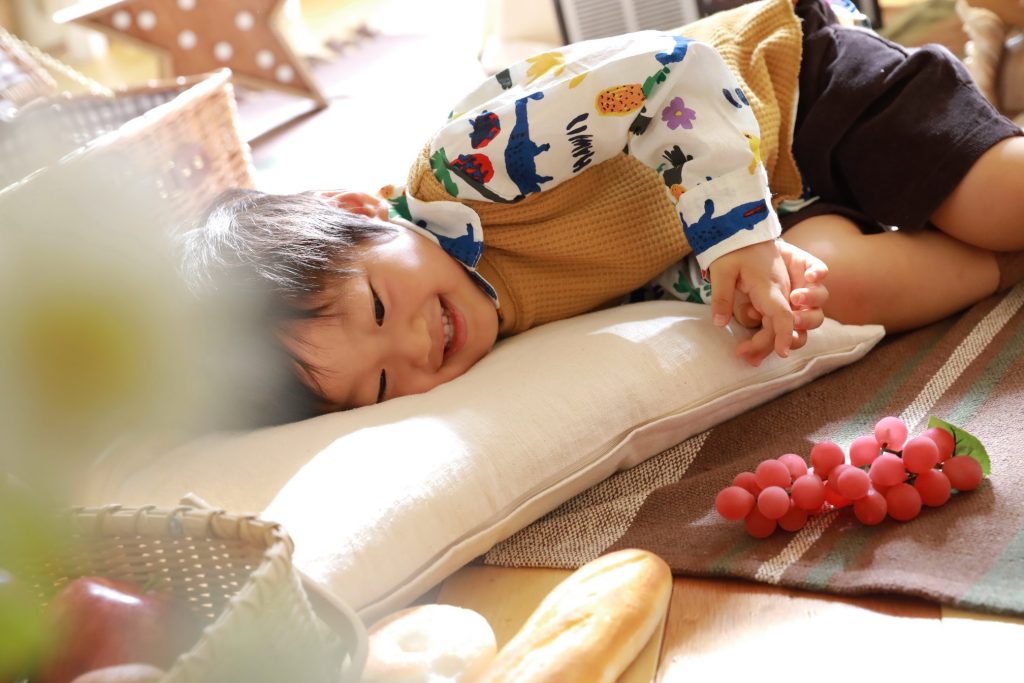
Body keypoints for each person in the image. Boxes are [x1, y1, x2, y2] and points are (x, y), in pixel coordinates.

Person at [181, 0, 1024, 424]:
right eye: (380, 386)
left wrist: (733, 235)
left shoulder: (472, 166)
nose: (414, 347)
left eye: (375, 306)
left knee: (1000, 201)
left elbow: (679, 75)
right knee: (826, 293)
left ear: (361, 208)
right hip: (776, 204)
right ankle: (997, 266)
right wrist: (729, 277)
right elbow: (632, 269)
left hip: (792, 91)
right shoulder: (500, 321)